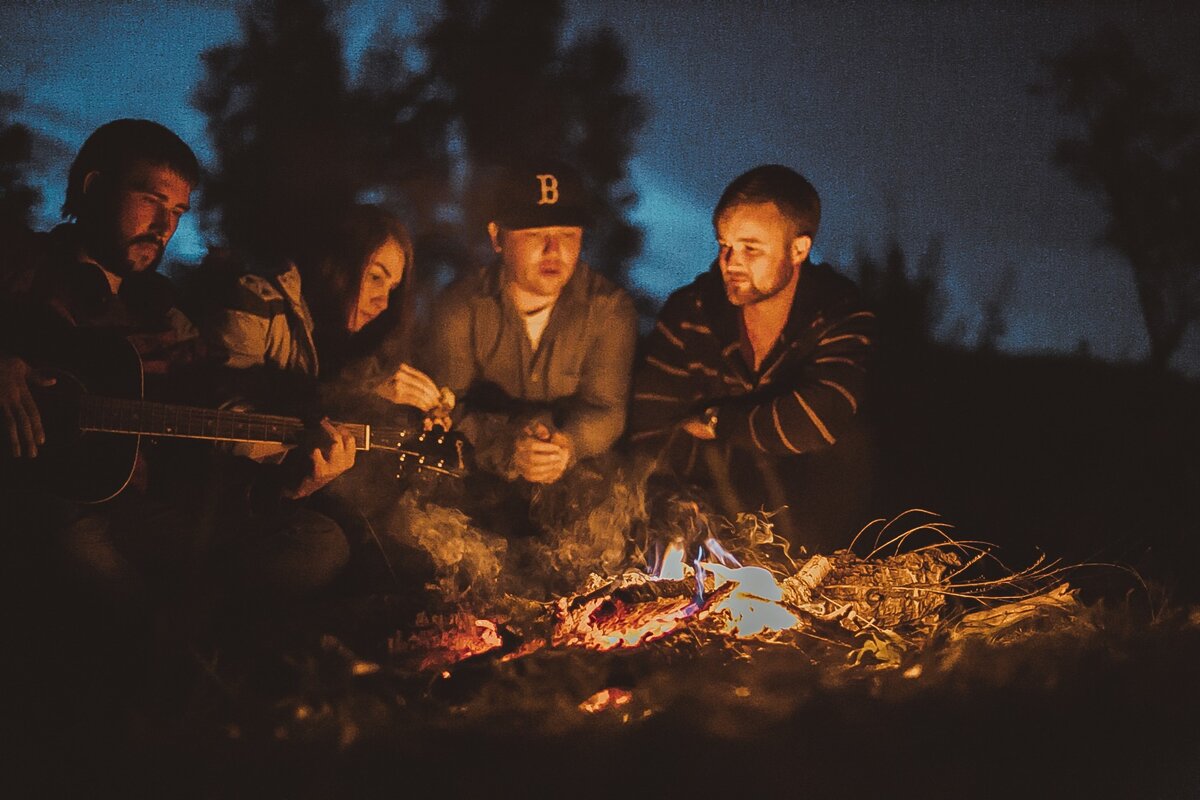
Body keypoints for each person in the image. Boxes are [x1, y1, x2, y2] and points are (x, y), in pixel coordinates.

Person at [629, 164, 876, 553]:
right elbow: (650, 425)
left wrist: (720, 421)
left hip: (816, 531)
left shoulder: (837, 313)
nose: (730, 261)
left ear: (798, 249)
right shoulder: (690, 313)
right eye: (723, 244)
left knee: (850, 447)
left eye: (750, 248)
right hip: (705, 528)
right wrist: (672, 503)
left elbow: (817, 418)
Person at [200, 204, 440, 587]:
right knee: (326, 548)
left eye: (393, 289)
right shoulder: (256, 299)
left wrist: (424, 416)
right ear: (339, 262)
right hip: (217, 502)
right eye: (376, 278)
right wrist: (360, 397)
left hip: (286, 498)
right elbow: (225, 419)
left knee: (411, 545)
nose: (383, 302)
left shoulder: (352, 342)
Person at [425, 163, 638, 489]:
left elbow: (607, 410)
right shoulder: (460, 307)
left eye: (567, 234)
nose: (554, 250)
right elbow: (448, 407)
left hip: (572, 483)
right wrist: (509, 445)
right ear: (497, 237)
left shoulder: (608, 310)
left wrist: (566, 446)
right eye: (535, 234)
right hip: (476, 480)